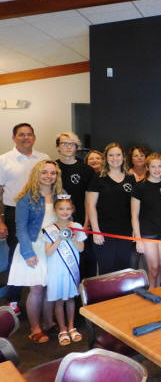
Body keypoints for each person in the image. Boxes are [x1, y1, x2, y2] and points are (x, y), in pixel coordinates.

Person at [7, 160, 62, 343]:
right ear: (36, 174)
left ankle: (48, 322)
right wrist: (28, 253)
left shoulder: (60, 195)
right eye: (44, 172)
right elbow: (20, 228)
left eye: (52, 173)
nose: (49, 176)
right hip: (33, 245)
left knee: (49, 286)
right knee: (37, 288)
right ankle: (35, 328)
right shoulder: (26, 198)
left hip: (54, 246)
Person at [0, 123, 49, 315]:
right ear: (14, 137)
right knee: (17, 254)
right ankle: (13, 300)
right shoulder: (4, 160)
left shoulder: (43, 158)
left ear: (34, 137)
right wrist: (0, 221)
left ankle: (40, 294)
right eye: (21, 134)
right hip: (15, 212)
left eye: (29, 134)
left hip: (40, 211)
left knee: (42, 251)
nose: (26, 137)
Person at [43, 196, 86, 346]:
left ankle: (72, 327)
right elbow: (48, 252)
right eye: (61, 208)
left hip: (71, 270)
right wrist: (59, 238)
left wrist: (73, 238)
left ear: (72, 210)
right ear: (55, 210)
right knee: (60, 300)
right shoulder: (49, 230)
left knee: (71, 299)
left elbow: (81, 249)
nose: (65, 211)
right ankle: (62, 329)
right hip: (56, 270)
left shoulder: (77, 226)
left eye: (68, 208)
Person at [86, 143, 135, 274]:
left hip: (125, 231)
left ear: (123, 157)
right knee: (106, 271)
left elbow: (134, 207)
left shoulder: (130, 178)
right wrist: (96, 231)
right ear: (106, 158)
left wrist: (135, 230)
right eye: (111, 155)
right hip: (104, 232)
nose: (115, 158)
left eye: (118, 155)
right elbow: (91, 206)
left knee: (123, 270)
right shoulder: (98, 178)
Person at [54, 132, 96, 279]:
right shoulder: (53, 169)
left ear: (77, 147)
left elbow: (89, 199)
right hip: (58, 222)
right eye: (64, 143)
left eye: (72, 144)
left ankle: (86, 291)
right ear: (58, 147)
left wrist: (86, 223)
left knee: (86, 258)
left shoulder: (87, 170)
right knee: (62, 258)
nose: (68, 147)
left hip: (82, 221)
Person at [131, 153, 161, 288]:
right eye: (153, 166)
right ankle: (151, 294)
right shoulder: (140, 187)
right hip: (147, 233)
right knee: (153, 268)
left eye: (159, 166)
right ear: (147, 167)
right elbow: (134, 215)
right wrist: (138, 238)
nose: (157, 169)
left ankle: (158, 292)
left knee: (160, 266)